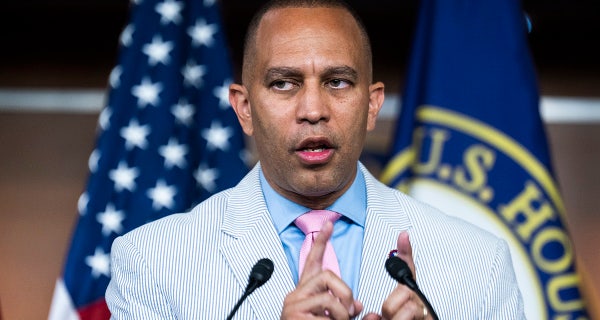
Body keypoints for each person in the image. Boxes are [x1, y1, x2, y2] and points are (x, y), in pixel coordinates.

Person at [106, 0, 525, 319]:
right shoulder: (152, 261)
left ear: (372, 105)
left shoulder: (478, 262)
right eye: (284, 83)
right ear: (244, 108)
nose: (313, 109)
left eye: (337, 82)